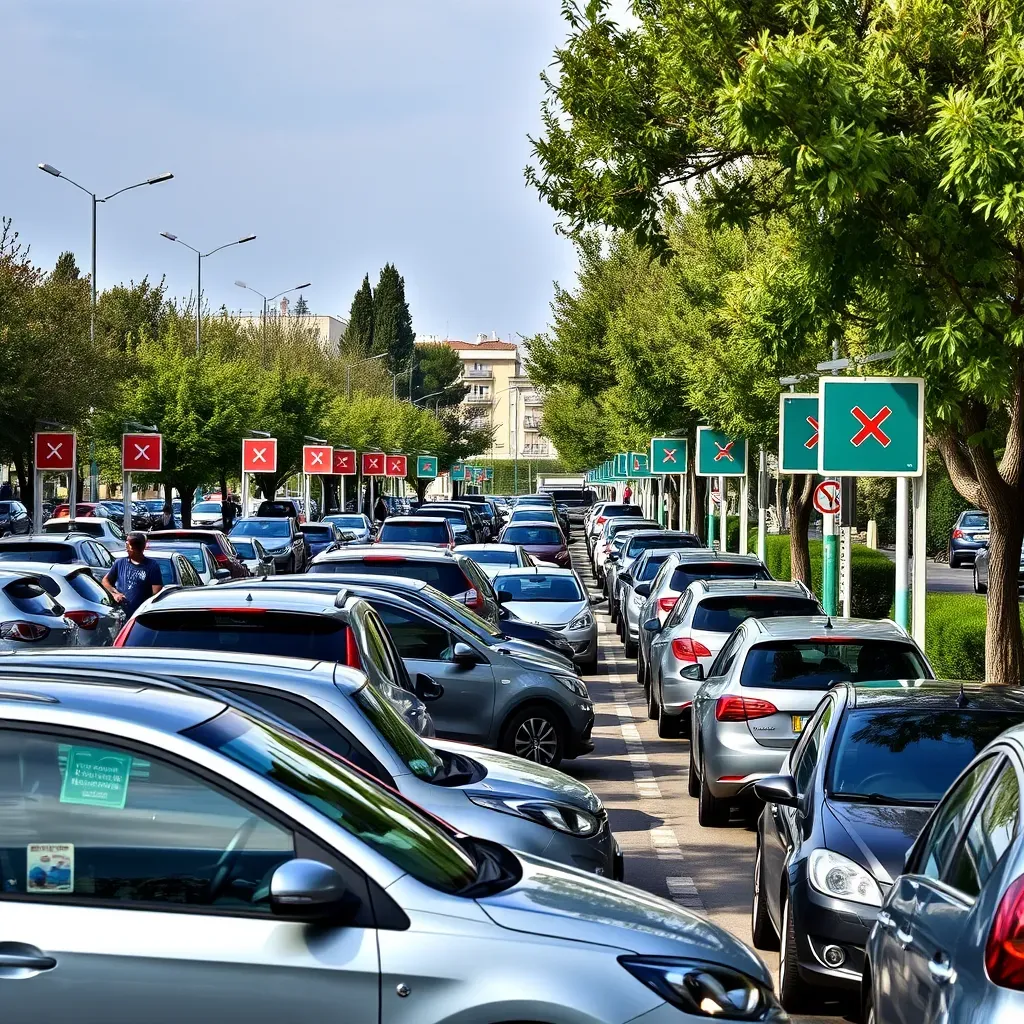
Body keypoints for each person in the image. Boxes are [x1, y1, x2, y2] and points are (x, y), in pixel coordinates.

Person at [103, 532, 163, 618]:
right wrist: (114, 594)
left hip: (141, 616)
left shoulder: (152, 566)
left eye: (128, 546)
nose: (126, 549)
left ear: (137, 548)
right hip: (121, 615)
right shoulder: (120, 563)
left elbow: (156, 593)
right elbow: (105, 581)